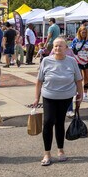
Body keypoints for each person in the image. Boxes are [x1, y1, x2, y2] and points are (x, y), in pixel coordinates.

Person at [33, 37, 83, 166]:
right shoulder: (46, 61)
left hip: (66, 96)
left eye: (60, 46)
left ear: (66, 48)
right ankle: (47, 153)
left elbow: (78, 80)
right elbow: (39, 81)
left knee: (60, 122)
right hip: (49, 95)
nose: (57, 48)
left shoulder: (72, 61)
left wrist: (80, 95)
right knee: (48, 122)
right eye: (55, 46)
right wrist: (36, 98)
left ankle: (60, 150)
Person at [71, 26, 88, 102]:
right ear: (79, 32)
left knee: (87, 78)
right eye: (82, 32)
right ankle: (77, 94)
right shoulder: (75, 40)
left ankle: (85, 94)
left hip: (86, 61)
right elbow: (71, 50)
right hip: (77, 61)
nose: (84, 33)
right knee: (79, 78)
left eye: (85, 32)